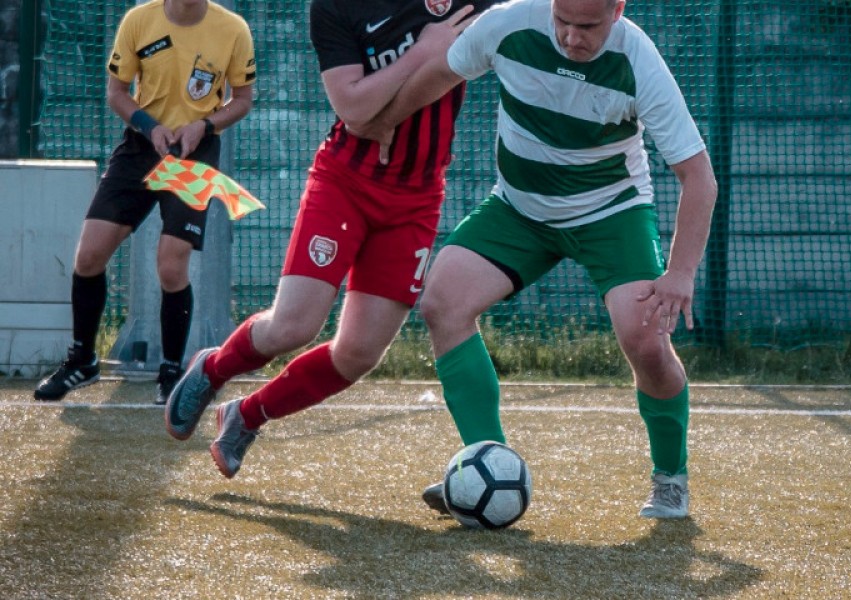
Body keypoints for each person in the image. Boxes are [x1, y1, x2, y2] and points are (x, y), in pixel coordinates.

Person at [359, 0, 717, 519]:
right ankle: (487, 461)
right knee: (442, 302)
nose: (572, 37)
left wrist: (680, 273)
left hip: (609, 212)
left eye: (588, 26)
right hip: (518, 209)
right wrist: (386, 122)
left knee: (645, 339)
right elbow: (440, 72)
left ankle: (670, 479)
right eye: (563, 21)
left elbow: (698, 177)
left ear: (617, 9)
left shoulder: (638, 60)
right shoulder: (506, 24)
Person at [164, 0, 498, 478]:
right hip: (346, 181)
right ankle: (212, 369)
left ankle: (246, 414)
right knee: (293, 327)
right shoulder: (336, 6)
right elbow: (355, 108)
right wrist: (424, 52)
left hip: (417, 197)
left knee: (359, 354)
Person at [34, 0, 256, 405]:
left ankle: (172, 371)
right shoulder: (139, 20)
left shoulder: (233, 29)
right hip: (140, 147)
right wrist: (148, 126)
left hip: (194, 154)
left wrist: (203, 125)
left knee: (172, 266)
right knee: (88, 256)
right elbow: (116, 93)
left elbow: (242, 99)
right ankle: (83, 361)